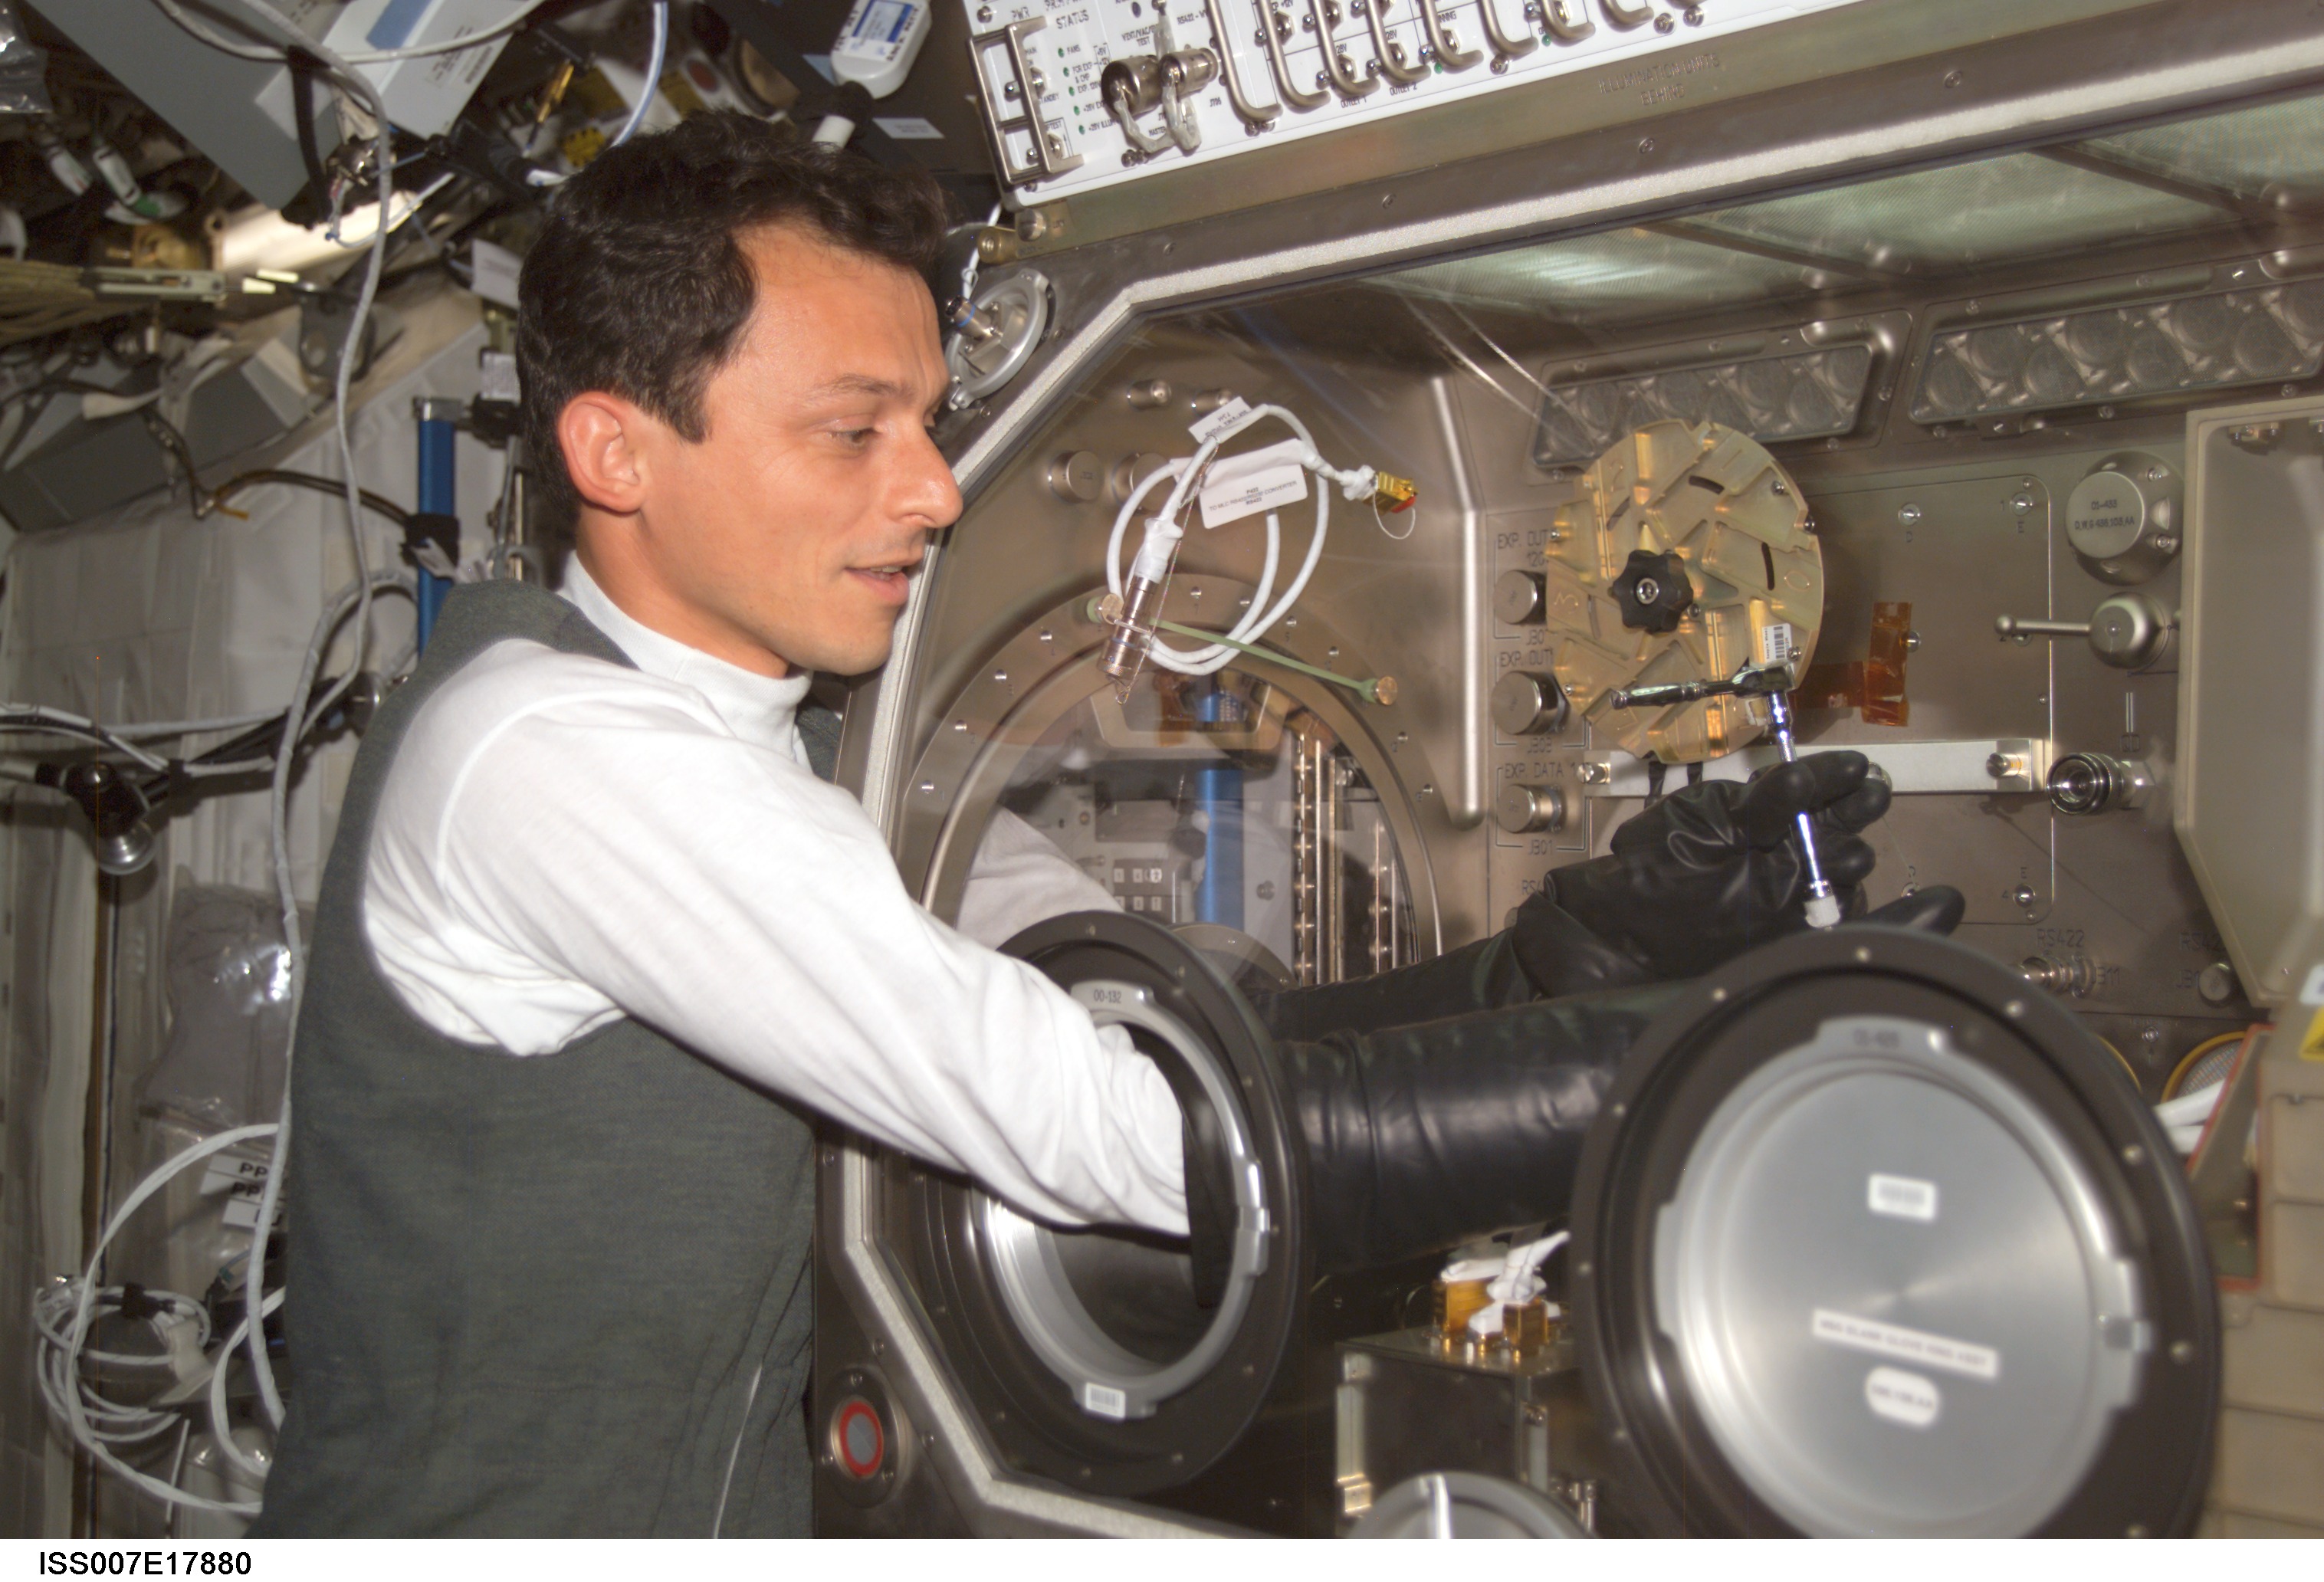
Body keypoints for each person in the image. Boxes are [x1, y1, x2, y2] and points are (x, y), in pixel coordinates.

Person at [254, 113, 1955, 1537]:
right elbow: (1125, 1140)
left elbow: (1154, 1056)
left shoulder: (796, 747)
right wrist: (1710, 1061)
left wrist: (1552, 970)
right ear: (616, 453)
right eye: (853, 432)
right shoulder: (548, 753)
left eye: (928, 424)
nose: (933, 490)